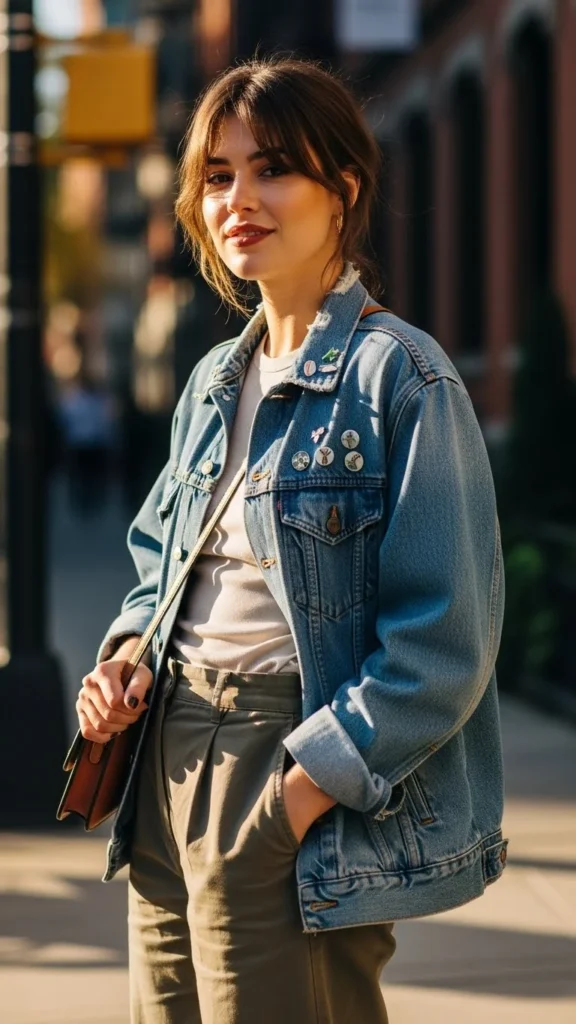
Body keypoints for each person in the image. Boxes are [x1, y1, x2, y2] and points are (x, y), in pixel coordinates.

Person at [76, 57, 507, 1024]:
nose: (239, 198)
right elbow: (161, 566)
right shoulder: (213, 383)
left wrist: (301, 792)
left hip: (283, 757)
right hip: (166, 757)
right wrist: (124, 659)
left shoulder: (403, 381)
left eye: (273, 168)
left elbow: (446, 640)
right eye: (218, 176)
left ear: (341, 187)